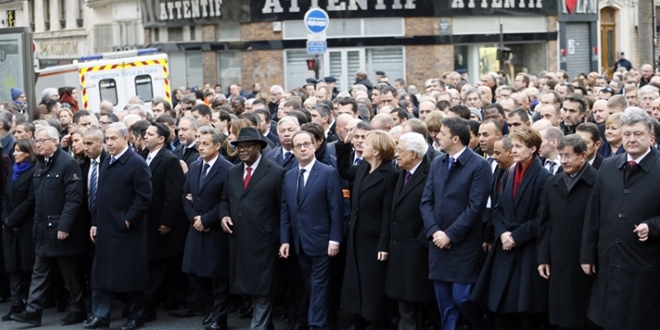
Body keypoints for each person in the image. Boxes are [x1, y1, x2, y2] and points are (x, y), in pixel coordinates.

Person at [581, 107, 660, 329]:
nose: (631, 139)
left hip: (644, 264)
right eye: (627, 134)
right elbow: (593, 213)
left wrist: (652, 226)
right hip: (608, 262)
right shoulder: (607, 166)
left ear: (650, 137)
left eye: (638, 134)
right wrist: (587, 255)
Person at [472, 125, 552, 330]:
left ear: (533, 148)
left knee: (524, 313)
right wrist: (503, 233)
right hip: (504, 246)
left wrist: (516, 236)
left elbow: (542, 217)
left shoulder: (544, 177)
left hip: (526, 249)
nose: (513, 150)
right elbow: (497, 208)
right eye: (513, 146)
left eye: (519, 146)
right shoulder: (508, 173)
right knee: (501, 311)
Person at [11, 126, 87, 327]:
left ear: (54, 141)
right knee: (39, 272)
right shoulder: (41, 164)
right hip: (43, 229)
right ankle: (33, 311)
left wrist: (65, 226)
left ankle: (78, 308)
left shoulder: (67, 164)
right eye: (36, 140)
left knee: (69, 273)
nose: (38, 144)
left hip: (61, 230)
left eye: (42, 140)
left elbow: (73, 199)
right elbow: (36, 198)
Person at [421, 117, 492, 330]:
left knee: (463, 298)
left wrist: (450, 235)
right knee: (445, 304)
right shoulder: (437, 162)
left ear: (455, 138)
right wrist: (434, 232)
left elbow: (475, 207)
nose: (437, 136)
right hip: (438, 245)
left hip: (464, 246)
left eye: (441, 133)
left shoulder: (479, 165)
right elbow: (426, 201)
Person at [84, 122, 152, 330]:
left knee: (130, 276)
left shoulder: (136, 163)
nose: (110, 143)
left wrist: (128, 219)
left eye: (114, 138)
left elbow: (144, 197)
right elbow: (99, 196)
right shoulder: (107, 161)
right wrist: (95, 222)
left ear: (126, 138)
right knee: (101, 275)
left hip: (126, 231)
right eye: (107, 138)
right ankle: (101, 316)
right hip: (105, 229)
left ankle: (136, 315)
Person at [220, 127, 285, 330]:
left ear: (258, 147)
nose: (242, 150)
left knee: (262, 288)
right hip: (239, 239)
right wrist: (224, 215)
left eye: (247, 146)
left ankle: (259, 326)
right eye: (239, 147)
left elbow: (283, 209)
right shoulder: (232, 172)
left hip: (265, 241)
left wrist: (283, 239)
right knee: (249, 287)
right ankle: (266, 323)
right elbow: (224, 200)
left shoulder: (275, 172)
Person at [279, 130, 343, 330]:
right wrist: (285, 240)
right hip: (299, 243)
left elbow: (336, 209)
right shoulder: (289, 176)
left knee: (318, 286)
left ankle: (316, 325)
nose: (303, 148)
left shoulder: (328, 172)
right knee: (312, 286)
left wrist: (335, 239)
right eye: (299, 145)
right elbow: (286, 211)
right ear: (293, 150)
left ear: (315, 146)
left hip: (322, 242)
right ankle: (325, 322)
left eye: (307, 143)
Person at [337, 130, 398, 330]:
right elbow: (344, 170)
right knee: (356, 280)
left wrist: (384, 244)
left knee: (373, 284)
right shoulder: (364, 167)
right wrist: (345, 144)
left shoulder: (391, 174)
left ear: (378, 151)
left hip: (374, 239)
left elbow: (389, 213)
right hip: (357, 234)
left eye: (367, 143)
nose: (362, 145)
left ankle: (376, 321)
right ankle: (359, 318)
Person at [537, 135, 597, 329]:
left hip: (585, 259)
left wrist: (591, 256)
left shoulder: (597, 181)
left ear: (583, 155)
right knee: (560, 314)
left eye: (569, 156)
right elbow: (545, 223)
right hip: (558, 257)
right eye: (561, 156)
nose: (564, 161)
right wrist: (543, 257)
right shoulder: (553, 183)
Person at [181, 126, 233, 330]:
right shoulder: (194, 166)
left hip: (216, 229)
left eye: (205, 144)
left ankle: (220, 319)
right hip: (196, 227)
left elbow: (227, 200)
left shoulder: (228, 169)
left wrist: (206, 219)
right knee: (192, 272)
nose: (200, 147)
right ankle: (212, 310)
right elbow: (185, 196)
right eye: (198, 143)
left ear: (217, 146)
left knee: (218, 276)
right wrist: (195, 217)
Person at [387, 132, 441, 329]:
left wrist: (421, 240)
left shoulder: (430, 174)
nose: (396, 154)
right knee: (405, 305)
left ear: (413, 154)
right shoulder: (401, 173)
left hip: (419, 250)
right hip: (400, 249)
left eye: (400, 151)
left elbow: (434, 208)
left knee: (422, 304)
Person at [142, 122, 186, 322]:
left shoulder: (169, 160)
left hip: (161, 222)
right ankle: (168, 300)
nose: (145, 136)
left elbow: (173, 194)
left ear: (161, 139)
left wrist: (166, 221)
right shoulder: (144, 157)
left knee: (159, 267)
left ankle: (149, 307)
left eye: (150, 134)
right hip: (147, 222)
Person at [1, 139, 37, 321]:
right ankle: (16, 304)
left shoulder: (33, 171)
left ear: (27, 153)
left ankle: (29, 304)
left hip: (25, 224)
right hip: (9, 225)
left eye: (18, 151)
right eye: (14, 150)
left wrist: (12, 219)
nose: (14, 154)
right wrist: (6, 219)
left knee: (26, 267)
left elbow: (30, 200)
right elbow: (6, 196)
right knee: (12, 267)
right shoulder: (13, 171)